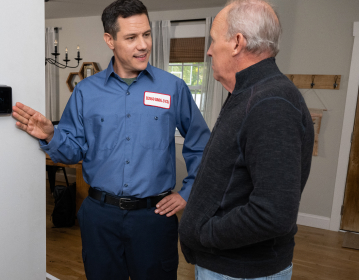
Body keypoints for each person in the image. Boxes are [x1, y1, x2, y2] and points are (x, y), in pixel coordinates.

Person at [12, 0, 210, 279]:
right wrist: (51, 135)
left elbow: (203, 145)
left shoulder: (172, 88)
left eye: (146, 34)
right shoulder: (85, 92)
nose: (143, 45)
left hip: (154, 217)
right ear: (110, 40)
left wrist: (187, 193)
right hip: (99, 217)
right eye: (131, 37)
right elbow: (72, 152)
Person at [178, 0, 314, 279]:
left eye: (214, 40)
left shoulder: (272, 102)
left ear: (237, 42)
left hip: (240, 271)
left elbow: (273, 214)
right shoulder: (248, 94)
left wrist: (203, 232)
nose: (208, 50)